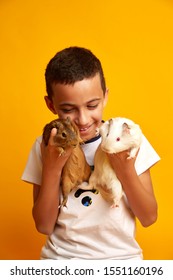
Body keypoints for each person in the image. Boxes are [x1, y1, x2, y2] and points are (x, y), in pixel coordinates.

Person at [22, 46, 160, 260]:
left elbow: (149, 217)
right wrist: (52, 168)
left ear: (105, 97)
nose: (83, 119)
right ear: (51, 104)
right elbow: (43, 225)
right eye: (68, 109)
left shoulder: (126, 140)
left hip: (121, 263)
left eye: (92, 105)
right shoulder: (46, 145)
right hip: (61, 261)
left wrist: (125, 169)